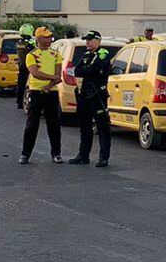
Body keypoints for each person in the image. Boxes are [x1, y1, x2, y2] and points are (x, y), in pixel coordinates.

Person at [69, 31, 114, 166]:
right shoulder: (87, 54)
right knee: (85, 126)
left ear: (98, 40)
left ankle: (103, 158)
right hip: (84, 95)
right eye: (86, 40)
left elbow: (95, 68)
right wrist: (88, 69)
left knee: (102, 127)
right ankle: (83, 155)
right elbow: (77, 71)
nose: (87, 43)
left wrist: (88, 69)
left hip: (98, 95)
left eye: (90, 40)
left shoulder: (103, 53)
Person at [19, 27, 63, 163]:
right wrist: (51, 78)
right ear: (38, 39)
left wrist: (49, 85)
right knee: (32, 124)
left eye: (50, 37)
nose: (49, 39)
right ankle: (25, 154)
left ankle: (56, 153)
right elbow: (35, 73)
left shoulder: (56, 54)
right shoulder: (31, 55)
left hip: (52, 91)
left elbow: (58, 75)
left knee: (54, 124)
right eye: (46, 37)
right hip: (36, 91)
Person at [14, 23, 35, 110]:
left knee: (21, 84)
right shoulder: (31, 43)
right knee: (29, 85)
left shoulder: (18, 43)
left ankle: (19, 102)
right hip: (29, 66)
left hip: (21, 66)